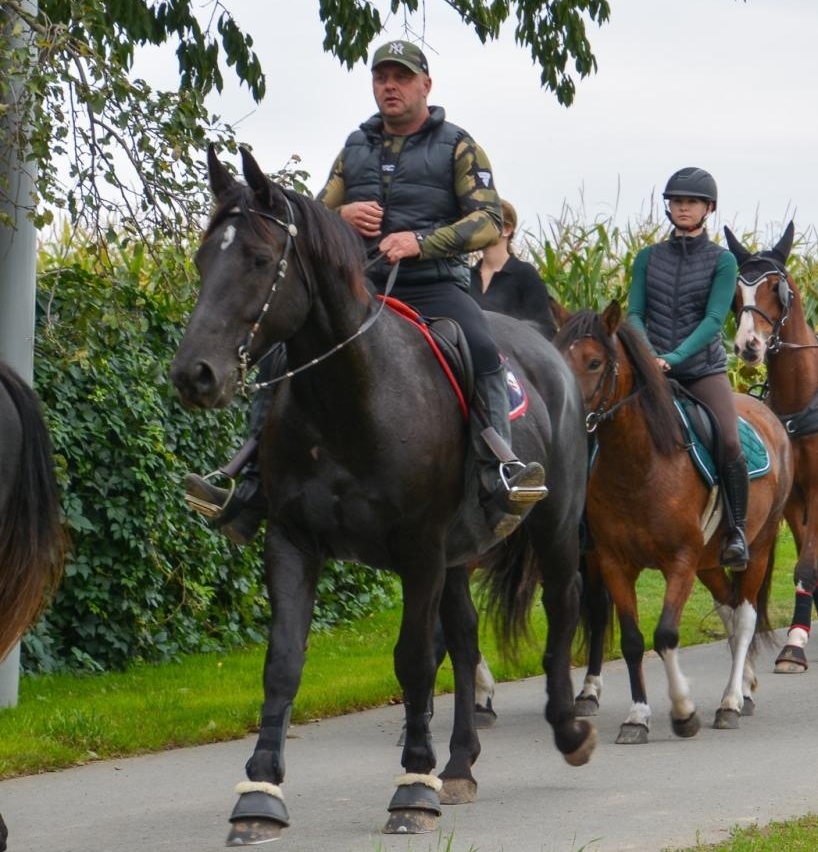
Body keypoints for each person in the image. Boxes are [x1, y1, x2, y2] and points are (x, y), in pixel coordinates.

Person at [183, 38, 546, 543]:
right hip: (363, 286)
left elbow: (486, 220)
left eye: (400, 77)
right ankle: (249, 481)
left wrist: (419, 241)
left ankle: (496, 471)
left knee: (481, 347)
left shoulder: (460, 146)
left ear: (425, 85)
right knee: (280, 350)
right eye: (381, 78)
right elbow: (302, 225)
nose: (390, 87)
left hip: (435, 284)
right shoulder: (355, 147)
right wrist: (340, 216)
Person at [625, 166, 749, 570]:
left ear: (708, 209)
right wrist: (648, 357)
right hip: (650, 367)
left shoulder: (723, 261)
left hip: (702, 370)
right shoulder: (648, 258)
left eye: (691, 202)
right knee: (603, 423)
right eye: (676, 201)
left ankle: (736, 531)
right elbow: (635, 314)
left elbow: (714, 320)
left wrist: (673, 358)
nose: (682, 207)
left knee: (729, 441)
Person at [469, 198, 558, 339]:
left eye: (484, 223)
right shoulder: (465, 276)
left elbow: (545, 329)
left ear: (506, 229)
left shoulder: (525, 275)